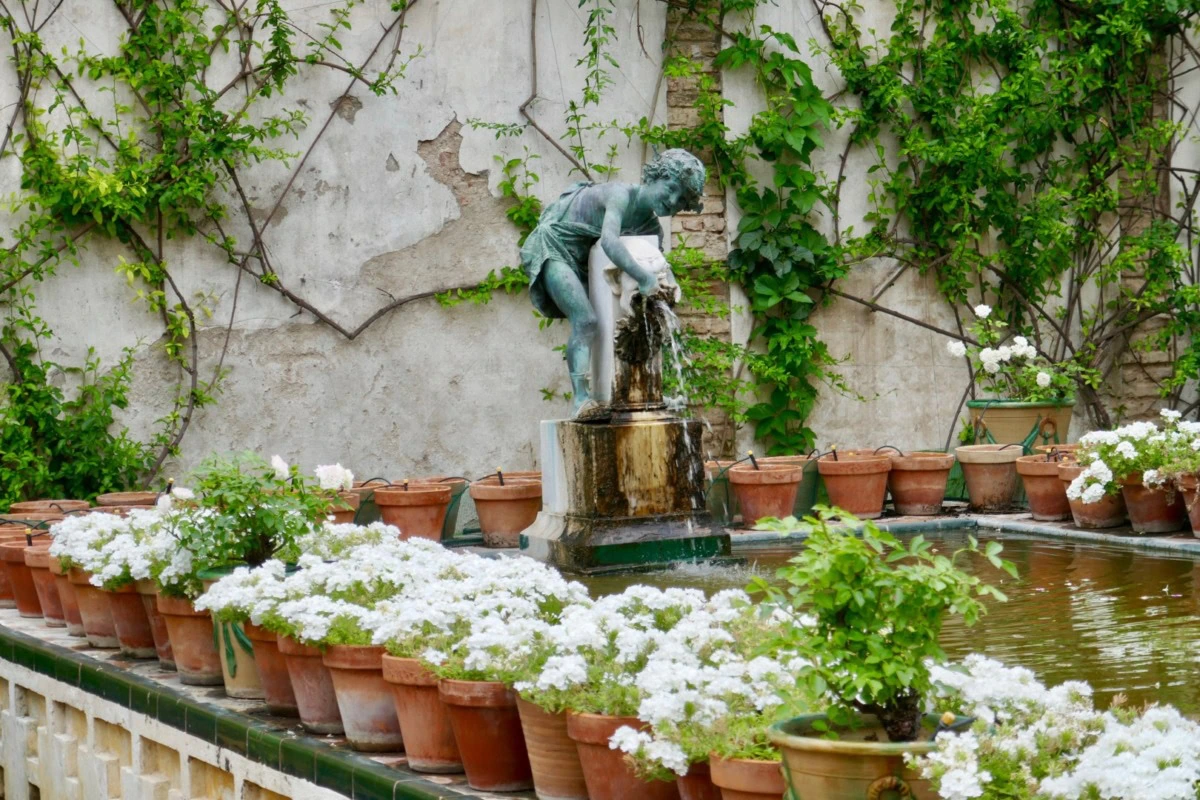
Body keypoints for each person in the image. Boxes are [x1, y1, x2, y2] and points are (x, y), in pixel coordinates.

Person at [520, 149, 706, 417]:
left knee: (643, 321)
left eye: (682, 201)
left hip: (585, 261)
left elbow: (660, 264)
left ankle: (646, 391)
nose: (674, 200)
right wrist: (643, 277)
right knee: (585, 321)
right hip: (555, 248)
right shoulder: (620, 195)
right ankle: (581, 400)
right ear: (657, 176)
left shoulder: (650, 226)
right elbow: (609, 241)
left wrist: (672, 289)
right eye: (673, 188)